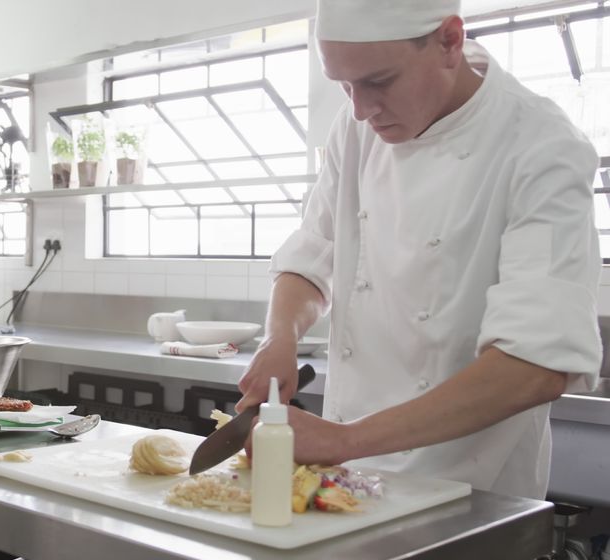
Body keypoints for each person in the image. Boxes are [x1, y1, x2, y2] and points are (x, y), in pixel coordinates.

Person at [238, 0, 601, 504]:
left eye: (378, 82)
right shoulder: (356, 125)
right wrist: (280, 338)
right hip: (351, 482)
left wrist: (345, 440)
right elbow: (314, 253)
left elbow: (535, 366)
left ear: (450, 41)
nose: (361, 110)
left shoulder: (541, 147)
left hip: (468, 499)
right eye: (344, 86)